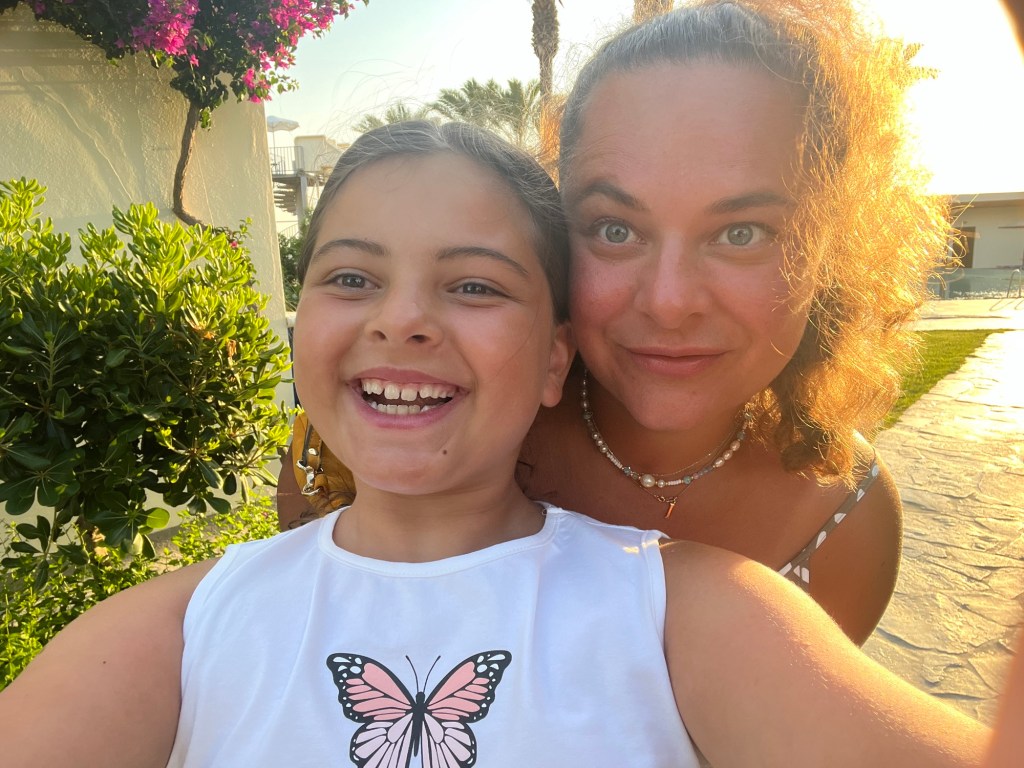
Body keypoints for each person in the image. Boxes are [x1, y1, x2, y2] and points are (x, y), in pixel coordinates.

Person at [0, 120, 987, 768]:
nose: (401, 319)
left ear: (556, 359)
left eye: (473, 286)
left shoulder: (686, 614)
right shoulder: (181, 632)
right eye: (350, 278)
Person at [278, 0, 949, 645]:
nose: (668, 301)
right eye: (615, 228)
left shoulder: (843, 518)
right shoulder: (381, 439)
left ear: (831, 248)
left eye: (742, 232)